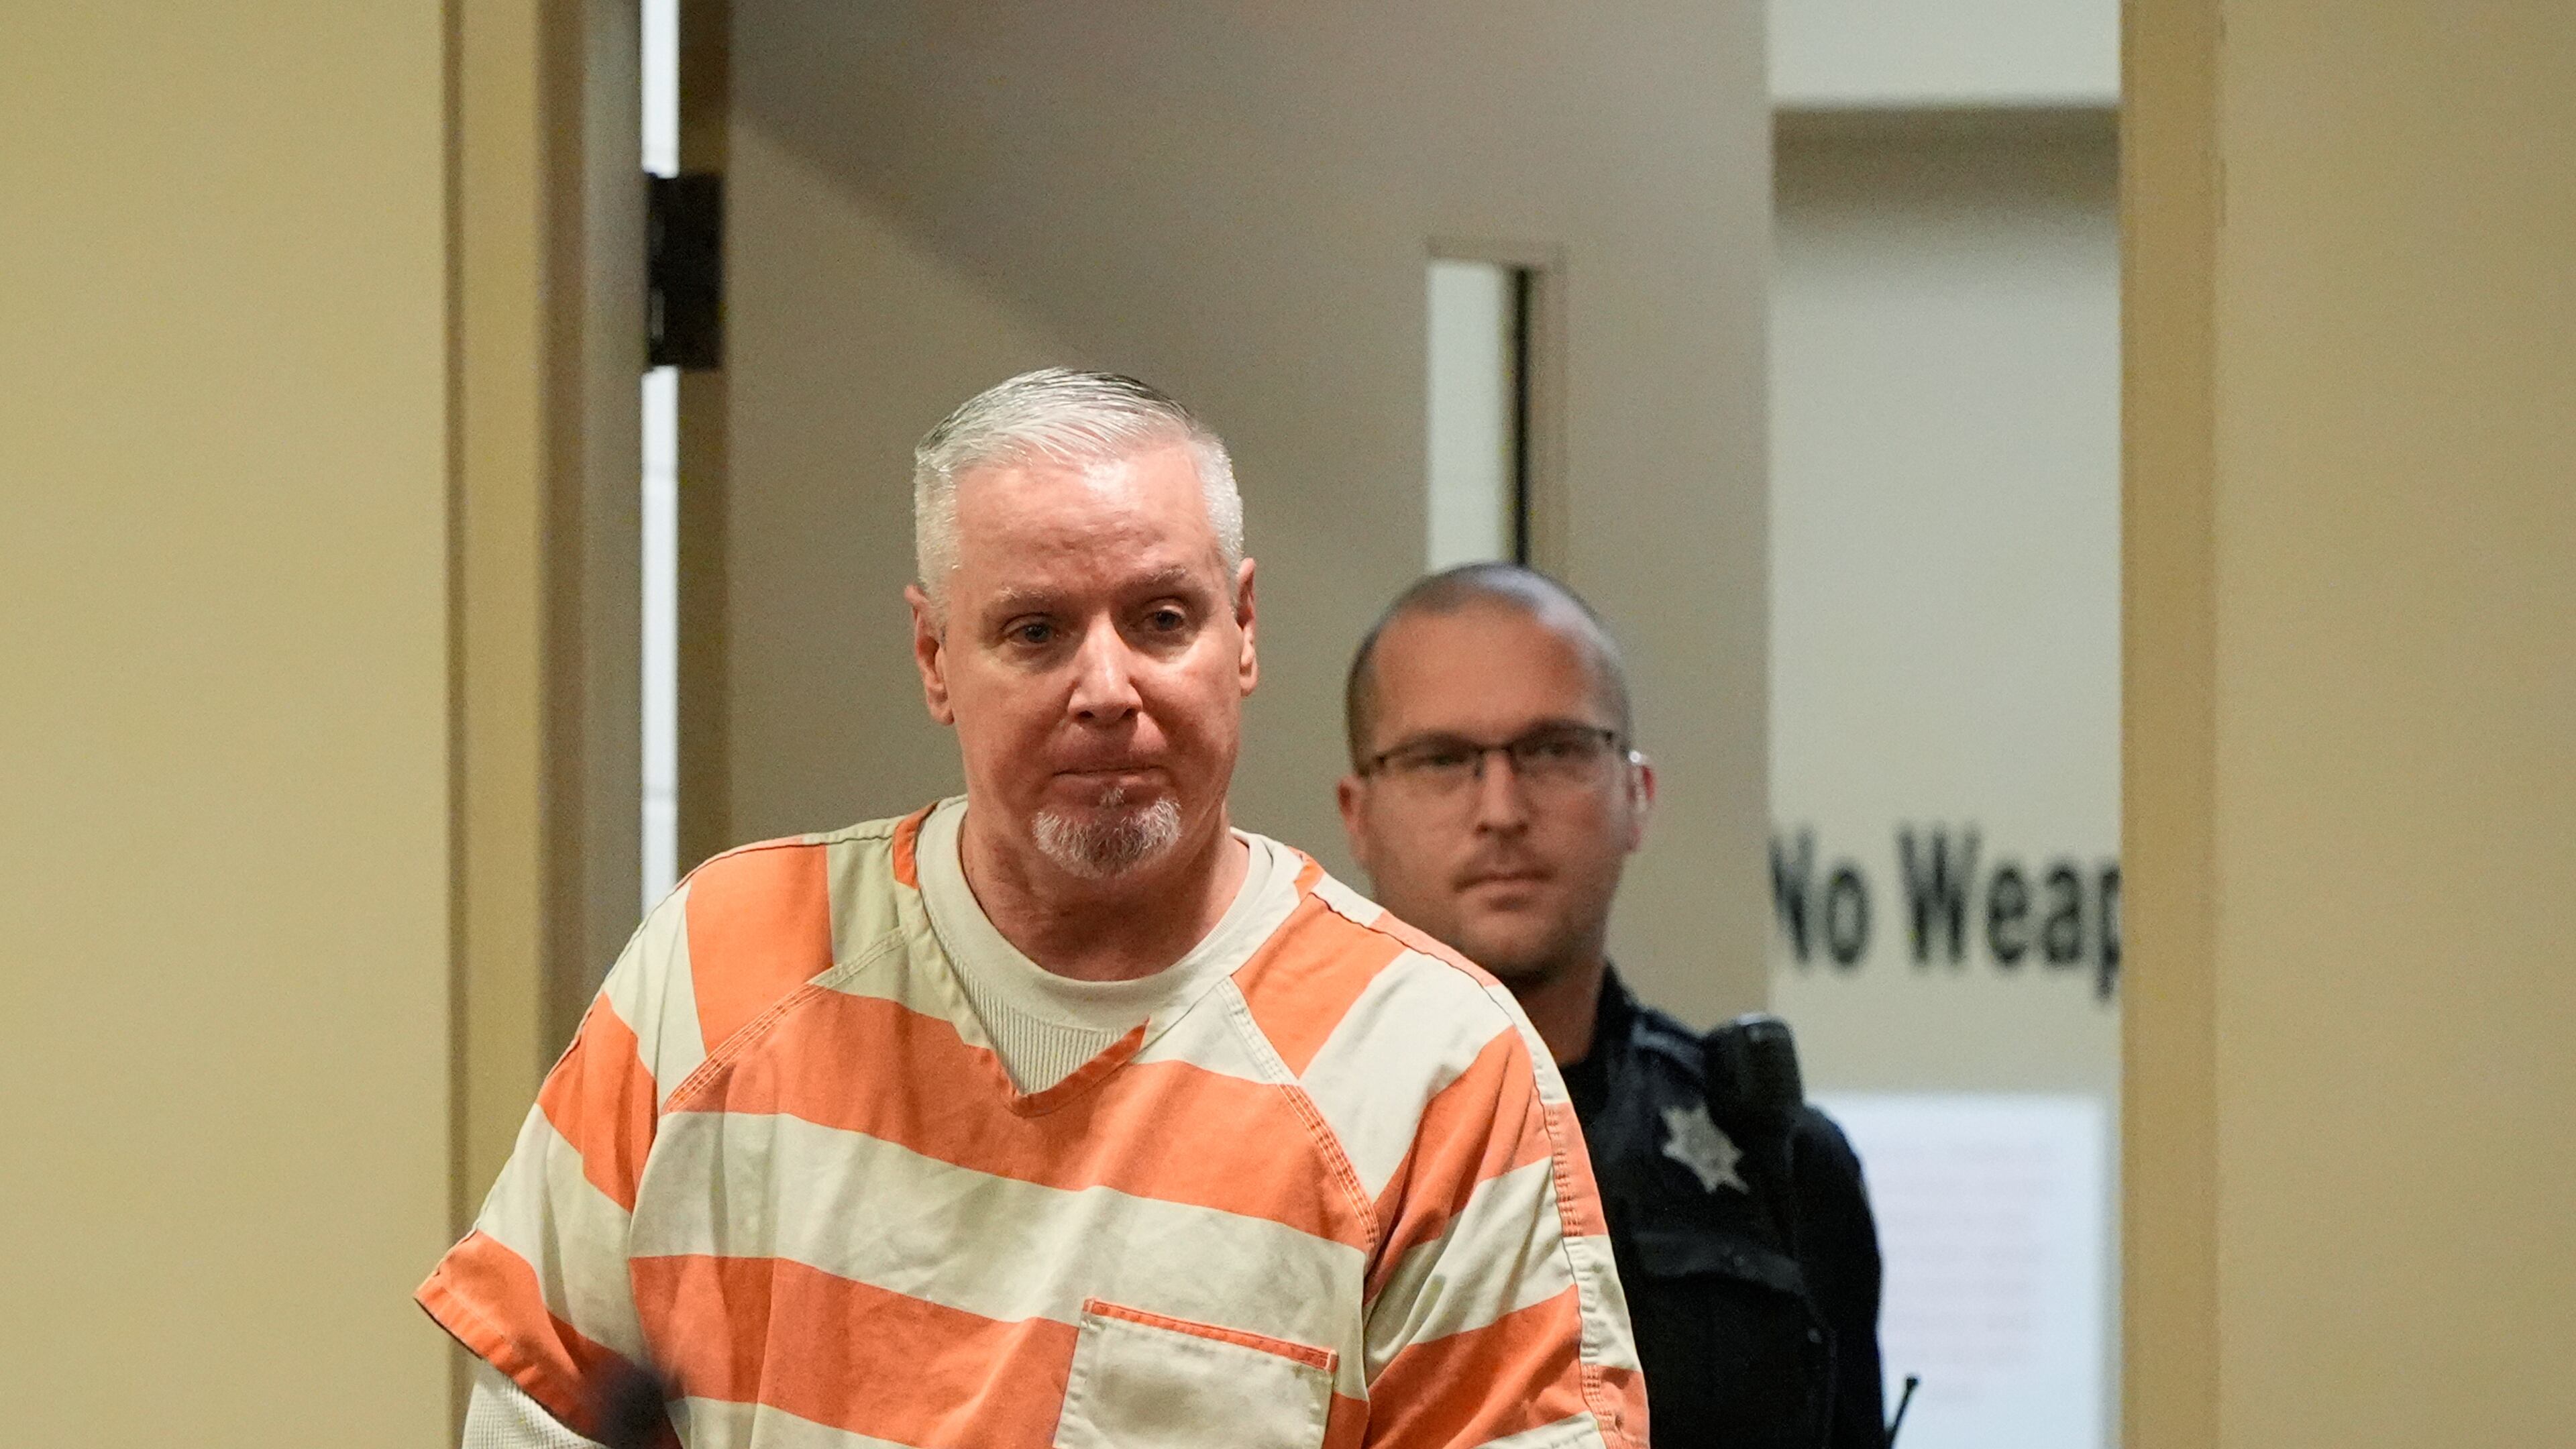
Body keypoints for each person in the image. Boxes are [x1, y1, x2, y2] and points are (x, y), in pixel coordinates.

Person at [419, 372, 1649, 1449]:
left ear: (1244, 630)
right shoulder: (723, 961)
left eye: (1161, 620)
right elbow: (542, 1405)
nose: (1106, 688)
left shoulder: (1436, 1069)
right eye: (1036, 630)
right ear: (934, 657)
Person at [1336, 564, 1886, 1449]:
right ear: (1358, 816)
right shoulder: (1277, 1138)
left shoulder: (1774, 1161)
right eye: (1441, 760)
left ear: (1637, 796)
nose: (1502, 809)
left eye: (1553, 751)